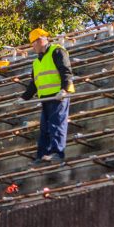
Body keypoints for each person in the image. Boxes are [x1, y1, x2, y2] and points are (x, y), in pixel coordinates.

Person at [21, 28, 75, 164]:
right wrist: (23, 98)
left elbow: (66, 71)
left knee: (57, 125)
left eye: (33, 42)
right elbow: (34, 83)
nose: (32, 46)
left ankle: (57, 153)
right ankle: (42, 156)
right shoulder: (37, 62)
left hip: (59, 96)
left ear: (40, 40)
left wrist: (64, 90)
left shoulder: (57, 51)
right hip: (46, 98)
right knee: (44, 128)